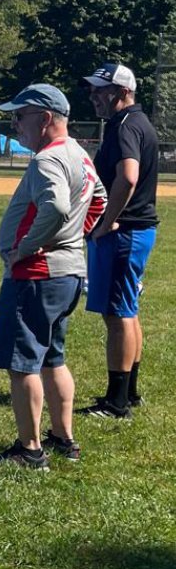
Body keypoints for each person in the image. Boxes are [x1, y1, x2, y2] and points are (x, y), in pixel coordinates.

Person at [0, 85, 106, 469]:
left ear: (45, 118)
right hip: (67, 273)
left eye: (20, 116)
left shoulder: (46, 159)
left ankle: (30, 449)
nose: (15, 124)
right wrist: (73, 237)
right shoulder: (80, 154)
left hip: (36, 276)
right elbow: (100, 200)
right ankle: (63, 438)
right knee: (54, 358)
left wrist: (28, 246)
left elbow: (55, 205)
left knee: (22, 364)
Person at [80, 62, 159, 418]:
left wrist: (106, 221)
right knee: (128, 310)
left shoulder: (126, 125)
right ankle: (129, 392)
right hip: (137, 230)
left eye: (101, 90)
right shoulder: (136, 122)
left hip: (124, 232)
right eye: (93, 90)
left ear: (123, 92)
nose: (94, 96)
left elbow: (128, 176)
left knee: (117, 314)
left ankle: (117, 402)